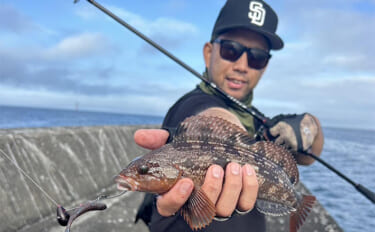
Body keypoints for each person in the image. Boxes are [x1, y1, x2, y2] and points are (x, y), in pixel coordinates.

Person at [133, 0, 324, 231]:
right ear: (208, 53)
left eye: (257, 57)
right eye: (231, 50)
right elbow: (211, 117)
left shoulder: (258, 120)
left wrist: (310, 126)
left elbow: (309, 157)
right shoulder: (189, 106)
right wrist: (227, 132)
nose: (242, 65)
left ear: (264, 67)